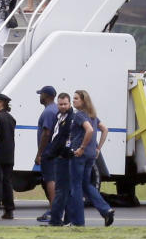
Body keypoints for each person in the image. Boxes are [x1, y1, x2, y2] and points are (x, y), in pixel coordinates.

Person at [67, 90, 114, 227]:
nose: (73, 101)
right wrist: (98, 148)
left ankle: (78, 221)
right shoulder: (92, 116)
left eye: (76, 98)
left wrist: (81, 147)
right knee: (86, 184)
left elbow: (90, 130)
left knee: (75, 187)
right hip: (91, 155)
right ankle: (106, 210)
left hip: (79, 155)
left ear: (83, 101)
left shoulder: (80, 115)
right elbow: (104, 129)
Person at [43, 92, 74, 227]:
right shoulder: (58, 116)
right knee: (63, 190)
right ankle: (62, 219)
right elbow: (55, 136)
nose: (62, 106)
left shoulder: (71, 118)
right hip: (57, 155)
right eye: (60, 104)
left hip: (64, 156)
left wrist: (51, 152)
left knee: (62, 190)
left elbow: (63, 139)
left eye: (65, 104)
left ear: (70, 104)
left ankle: (57, 220)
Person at [34, 85, 60, 222]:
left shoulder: (49, 112)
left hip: (49, 152)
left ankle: (54, 212)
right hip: (53, 151)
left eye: (41, 94)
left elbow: (46, 132)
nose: (40, 96)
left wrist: (40, 153)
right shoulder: (54, 109)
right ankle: (54, 210)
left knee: (50, 180)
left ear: (47, 96)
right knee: (52, 179)